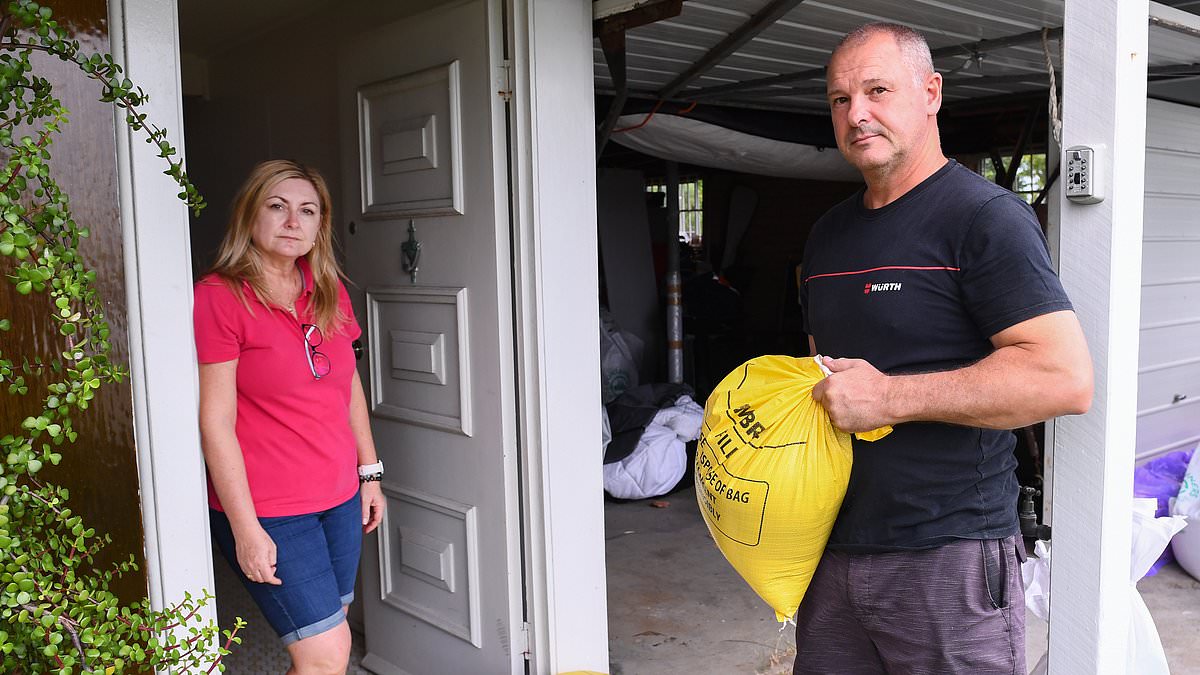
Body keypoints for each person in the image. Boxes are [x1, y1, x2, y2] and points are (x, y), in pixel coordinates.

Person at [795, 23, 1094, 674]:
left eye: (877, 90)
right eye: (840, 100)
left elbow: (1063, 377)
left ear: (930, 92)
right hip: (831, 553)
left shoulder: (984, 219)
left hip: (949, 555)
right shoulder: (826, 236)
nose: (857, 113)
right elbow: (824, 378)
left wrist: (890, 397)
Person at [194, 160, 385, 675]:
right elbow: (215, 421)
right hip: (271, 508)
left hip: (340, 495)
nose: (292, 221)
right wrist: (244, 527)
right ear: (250, 215)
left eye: (308, 211)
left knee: (330, 638)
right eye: (277, 207)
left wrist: (369, 474)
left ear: (320, 224)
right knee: (326, 655)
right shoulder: (219, 297)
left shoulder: (327, 289)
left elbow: (347, 388)